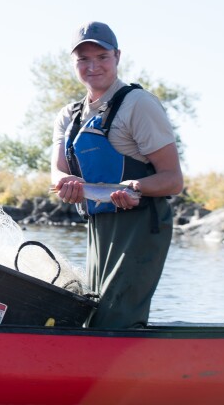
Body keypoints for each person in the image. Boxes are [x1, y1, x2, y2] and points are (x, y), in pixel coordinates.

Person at [51, 22, 184, 328]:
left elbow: (173, 180)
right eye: (83, 59)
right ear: (73, 64)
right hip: (98, 225)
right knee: (94, 315)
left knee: (116, 320)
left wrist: (133, 186)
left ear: (117, 56)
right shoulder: (68, 116)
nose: (92, 66)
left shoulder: (139, 104)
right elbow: (57, 173)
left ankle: (123, 370)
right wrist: (65, 184)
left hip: (140, 225)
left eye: (102, 56)